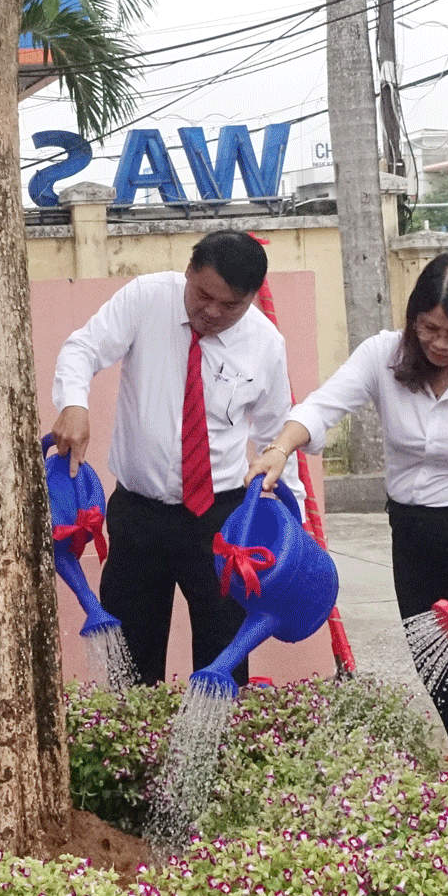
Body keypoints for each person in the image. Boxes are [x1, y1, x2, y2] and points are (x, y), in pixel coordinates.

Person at [277, 252, 448, 807]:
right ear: (414, 318)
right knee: (438, 672)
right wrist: (280, 446)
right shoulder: (383, 358)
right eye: (430, 329)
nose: (441, 344)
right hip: (413, 538)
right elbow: (322, 405)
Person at [49, 230, 294, 685]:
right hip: (139, 515)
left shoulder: (265, 344)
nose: (213, 312)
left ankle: (219, 750)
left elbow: (277, 435)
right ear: (189, 271)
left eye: (231, 305)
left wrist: (288, 527)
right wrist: (74, 404)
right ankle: (132, 750)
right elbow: (82, 349)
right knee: (131, 660)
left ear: (251, 298)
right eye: (203, 295)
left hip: (222, 521)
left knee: (224, 657)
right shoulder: (147, 299)